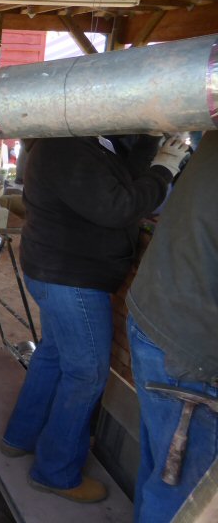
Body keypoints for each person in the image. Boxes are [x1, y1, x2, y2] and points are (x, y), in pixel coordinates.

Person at [0, 134, 188, 503]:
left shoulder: (90, 140)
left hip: (61, 271)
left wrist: (150, 144)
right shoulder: (66, 147)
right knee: (86, 374)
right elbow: (118, 206)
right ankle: (55, 472)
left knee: (53, 354)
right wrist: (164, 169)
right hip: (71, 278)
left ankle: (19, 437)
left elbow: (123, 180)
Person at [125, 131, 217, 523]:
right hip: (191, 350)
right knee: (182, 500)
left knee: (162, 476)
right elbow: (115, 208)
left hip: (157, 316)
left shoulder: (211, 135)